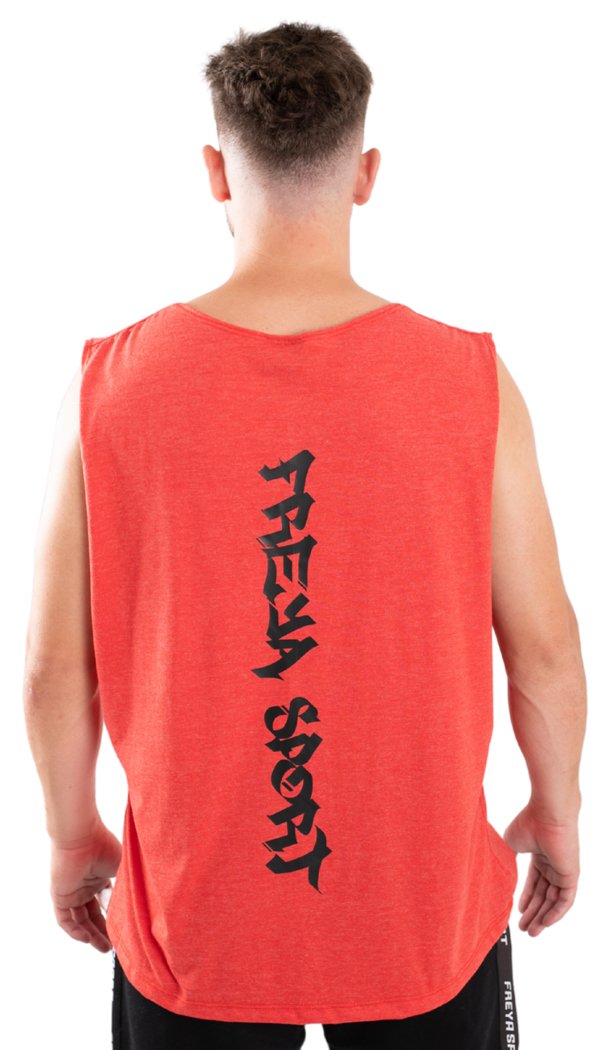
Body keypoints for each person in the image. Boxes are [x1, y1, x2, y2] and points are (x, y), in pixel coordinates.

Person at [23, 20, 586, 1050]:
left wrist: (71, 836)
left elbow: (57, 666)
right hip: (423, 913)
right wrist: (556, 812)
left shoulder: (108, 389)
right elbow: (544, 650)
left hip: (195, 923)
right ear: (365, 173)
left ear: (215, 172)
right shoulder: (469, 384)